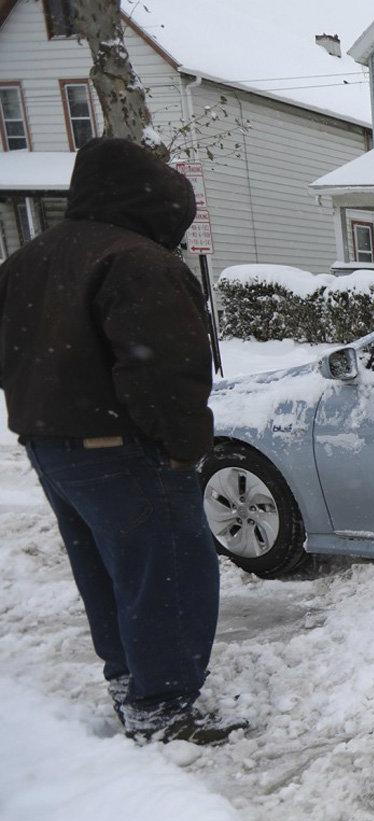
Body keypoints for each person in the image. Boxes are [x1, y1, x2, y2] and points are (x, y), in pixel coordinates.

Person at [0, 138, 248, 743]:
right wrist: (183, 447)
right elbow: (163, 371)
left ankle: (129, 681)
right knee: (168, 572)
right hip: (122, 446)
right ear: (154, 203)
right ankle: (164, 708)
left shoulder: (28, 258)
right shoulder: (136, 261)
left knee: (107, 570)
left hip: (50, 445)